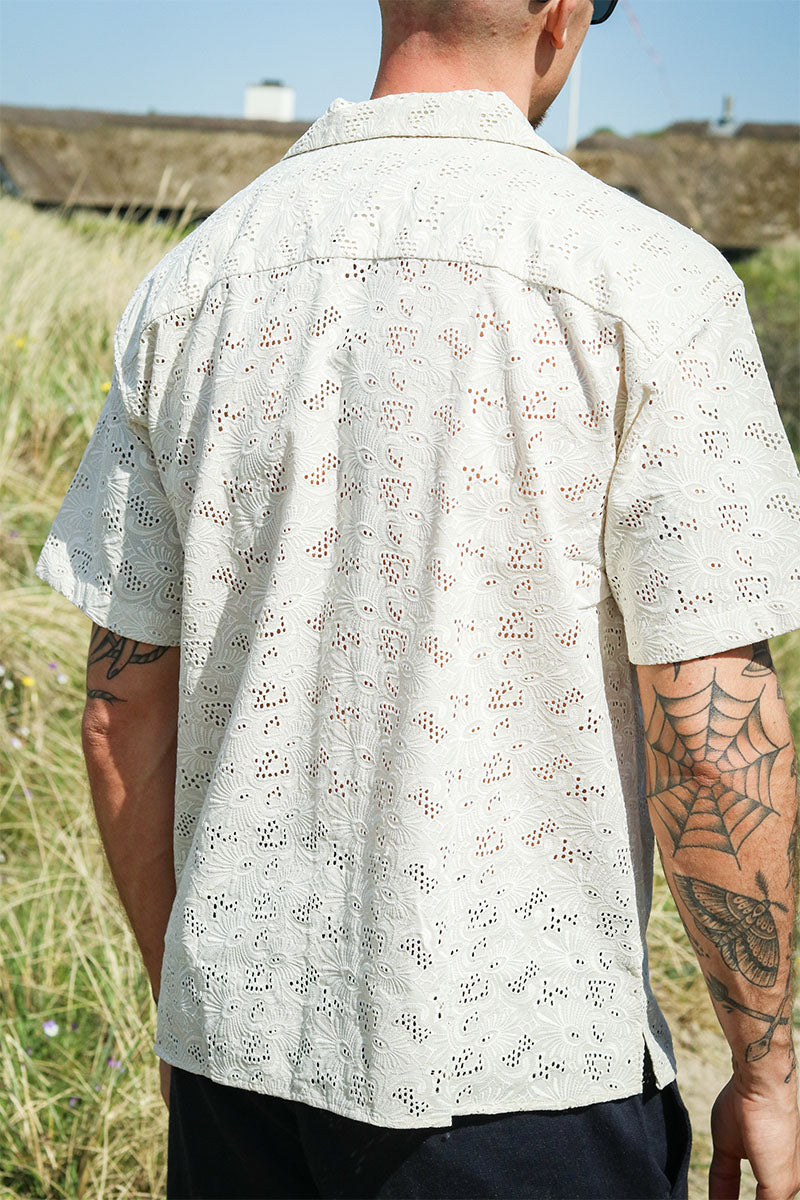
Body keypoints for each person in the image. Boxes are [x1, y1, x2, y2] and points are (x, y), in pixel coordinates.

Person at [34, 0, 800, 1196]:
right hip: (527, 1074)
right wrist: (766, 1068)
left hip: (239, 1070)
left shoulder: (190, 286)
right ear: (560, 15)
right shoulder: (651, 282)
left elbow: (117, 713)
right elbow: (710, 733)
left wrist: (188, 1015)